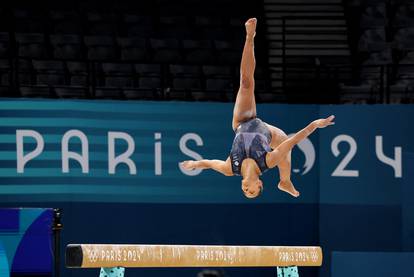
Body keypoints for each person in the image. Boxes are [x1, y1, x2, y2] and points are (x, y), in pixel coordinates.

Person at [181, 18, 335, 199]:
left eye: (245, 191)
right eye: (252, 191)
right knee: (285, 141)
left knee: (246, 83)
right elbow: (294, 142)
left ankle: (249, 37)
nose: (247, 189)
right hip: (268, 132)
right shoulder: (268, 161)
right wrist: (315, 125)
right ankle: (284, 181)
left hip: (242, 121)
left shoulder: (231, 168)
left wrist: (195, 164)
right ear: (259, 183)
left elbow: (210, 163)